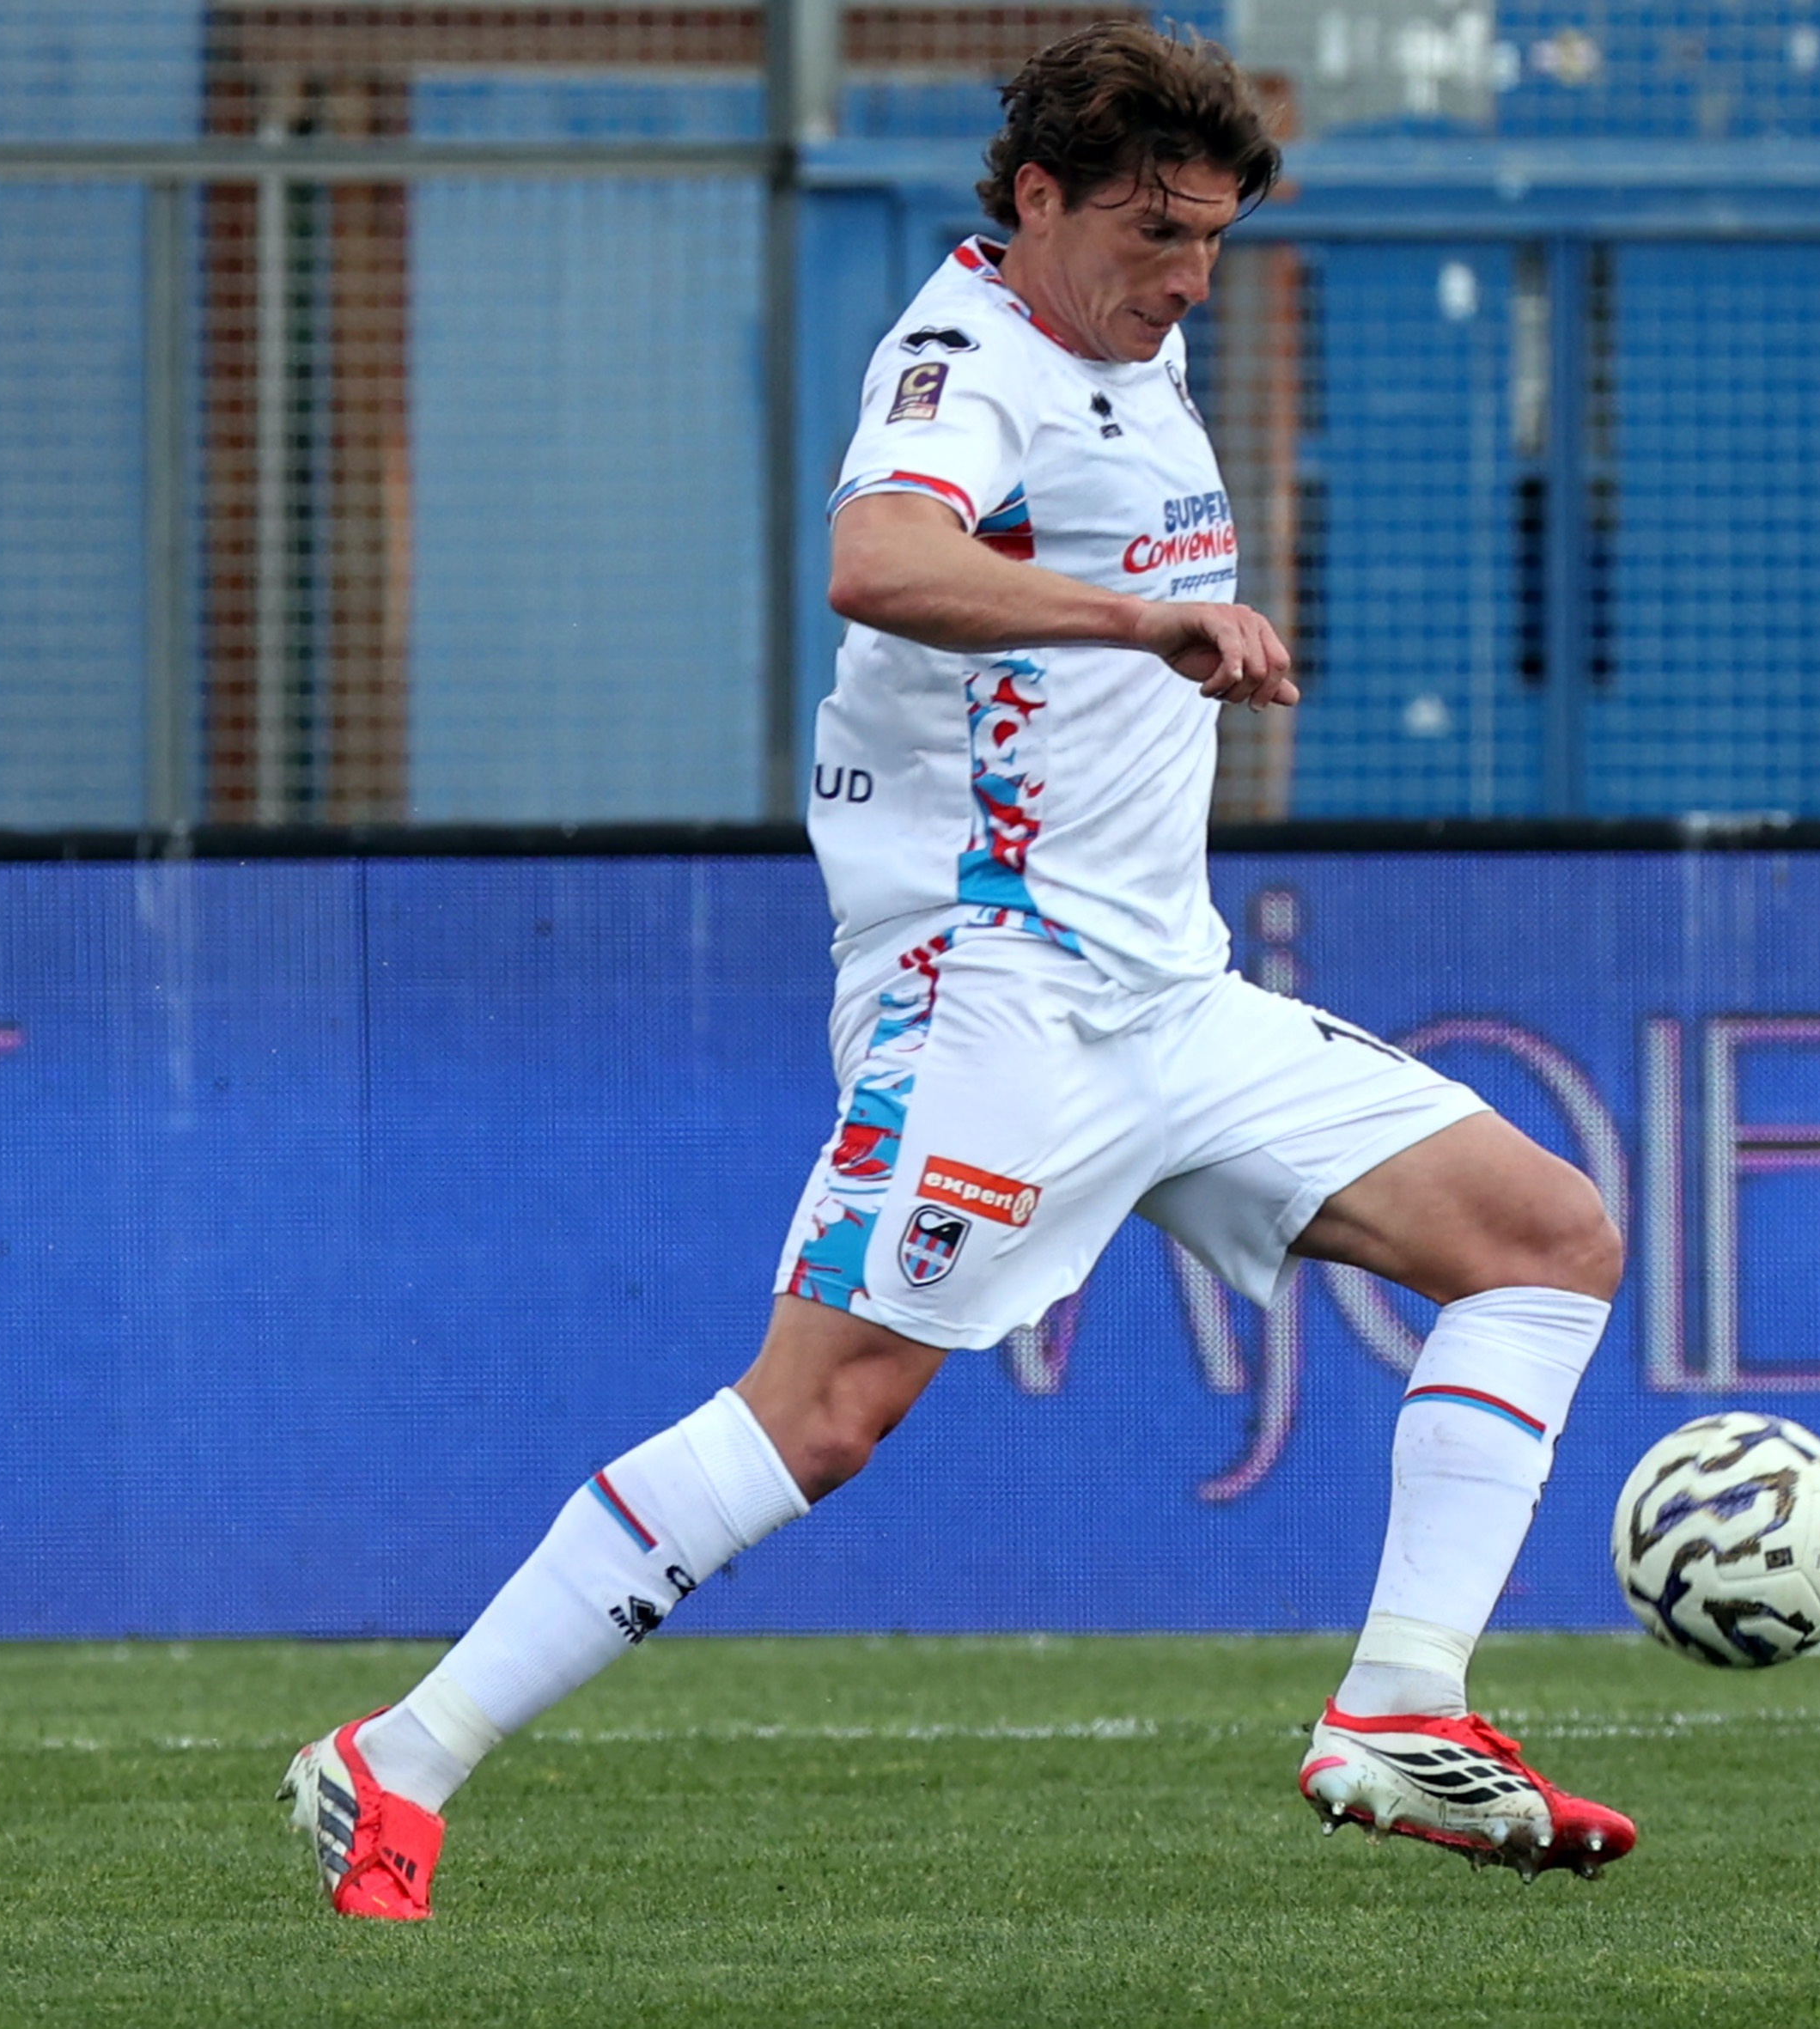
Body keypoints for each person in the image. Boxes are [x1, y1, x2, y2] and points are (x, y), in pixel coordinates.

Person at [278, 22, 1634, 1918]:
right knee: (821, 1414)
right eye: (1156, 232)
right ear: (1037, 200)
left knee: (1545, 1236)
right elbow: (879, 557)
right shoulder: (963, 360)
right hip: (991, 984)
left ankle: (1400, 1705)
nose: (1187, 277)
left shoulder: (1130, 338)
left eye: (1213, 240)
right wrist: (1137, 619)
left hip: (1168, 995)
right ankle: (398, 1756)